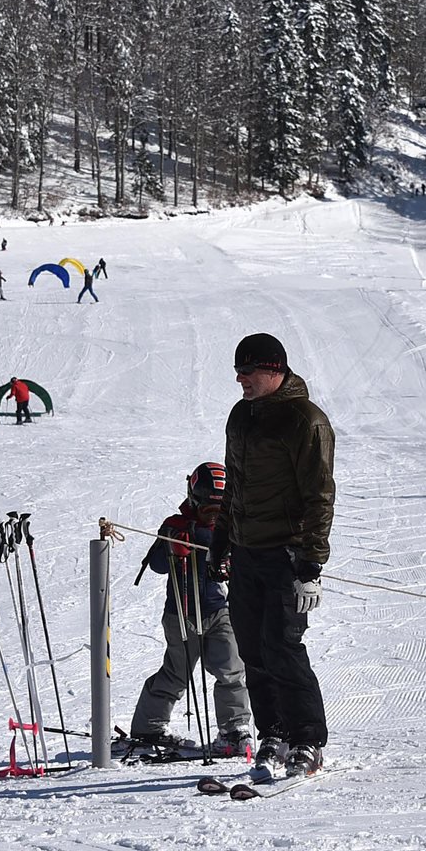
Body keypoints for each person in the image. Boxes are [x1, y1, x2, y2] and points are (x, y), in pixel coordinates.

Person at [213, 332, 334, 778]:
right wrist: (220, 541)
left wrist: (310, 564)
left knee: (282, 647)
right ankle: (275, 735)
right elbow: (235, 486)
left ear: (274, 371)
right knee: (251, 649)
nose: (240, 379)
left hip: (286, 553)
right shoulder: (241, 416)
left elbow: (319, 495)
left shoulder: (305, 420)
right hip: (246, 552)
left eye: (247, 371)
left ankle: (308, 741)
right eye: (238, 371)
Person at [129, 462, 254, 755]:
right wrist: (172, 547)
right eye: (209, 507)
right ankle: (149, 725)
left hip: (219, 609)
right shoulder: (176, 525)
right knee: (177, 672)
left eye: (219, 509)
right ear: (194, 498)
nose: (214, 515)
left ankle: (234, 729)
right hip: (181, 613)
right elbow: (158, 566)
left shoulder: (231, 529)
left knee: (231, 669)